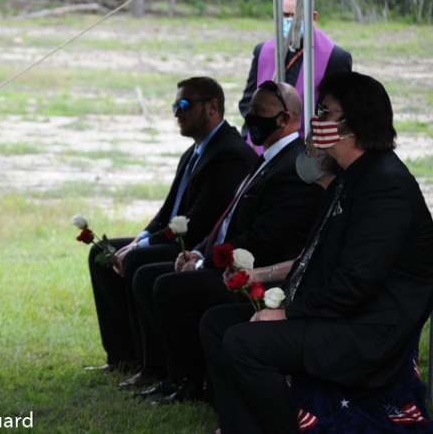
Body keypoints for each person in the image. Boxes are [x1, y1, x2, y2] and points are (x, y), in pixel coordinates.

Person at [200, 71, 433, 434]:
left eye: (325, 112)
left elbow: (355, 284)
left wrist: (287, 313)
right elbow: (316, 257)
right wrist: (268, 283)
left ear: (353, 125)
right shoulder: (352, 176)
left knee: (243, 342)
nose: (315, 121)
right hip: (341, 315)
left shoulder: (384, 186)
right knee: (218, 323)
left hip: (366, 333)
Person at [130, 81, 324, 402]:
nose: (250, 118)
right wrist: (197, 253)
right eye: (249, 110)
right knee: (154, 276)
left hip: (259, 274)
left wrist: (205, 263)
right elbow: (227, 220)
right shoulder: (268, 158)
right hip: (231, 262)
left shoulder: (291, 166)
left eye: (259, 111)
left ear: (285, 119)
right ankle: (169, 373)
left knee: (168, 287)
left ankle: (189, 381)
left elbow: (263, 240)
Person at [87, 77, 257, 386]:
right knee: (103, 251)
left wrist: (139, 249)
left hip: (199, 245)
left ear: (212, 107)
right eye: (174, 105)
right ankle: (123, 354)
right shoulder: (195, 152)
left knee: (138, 262)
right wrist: (139, 239)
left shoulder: (228, 153)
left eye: (184, 104)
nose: (177, 113)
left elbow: (197, 224)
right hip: (181, 239)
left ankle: (154, 365)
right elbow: (168, 212)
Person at [238, 0, 352, 140]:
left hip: (308, 143)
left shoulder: (336, 58)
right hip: (264, 140)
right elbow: (248, 100)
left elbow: (338, 113)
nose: (291, 21)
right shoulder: (262, 51)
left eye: (298, 16)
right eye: (285, 15)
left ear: (313, 17)